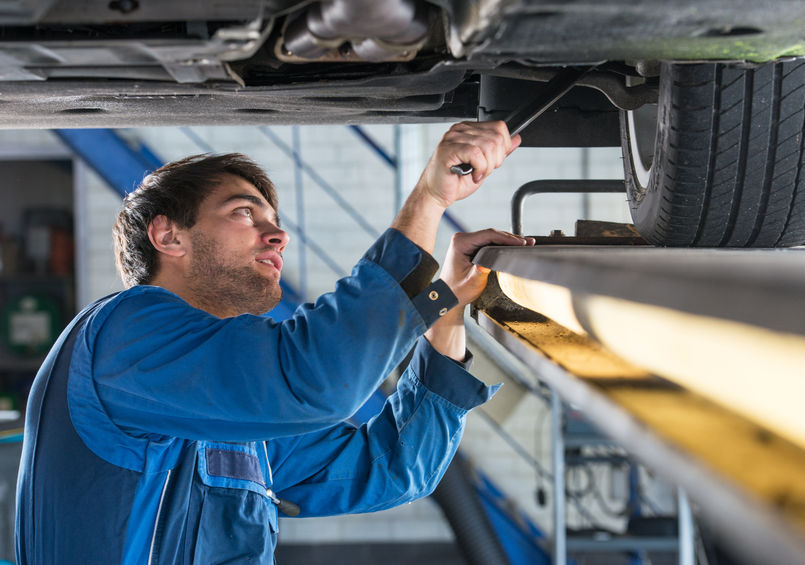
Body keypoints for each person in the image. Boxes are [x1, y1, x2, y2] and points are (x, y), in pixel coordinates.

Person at [15, 121, 533, 564]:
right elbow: (316, 379)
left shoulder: (235, 417)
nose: (277, 235)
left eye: (275, 222)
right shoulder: (122, 334)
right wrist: (431, 198)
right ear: (168, 236)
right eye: (244, 213)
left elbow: (393, 469)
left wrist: (446, 305)